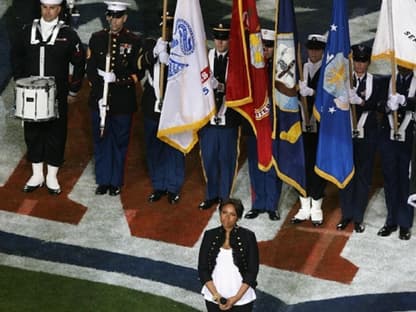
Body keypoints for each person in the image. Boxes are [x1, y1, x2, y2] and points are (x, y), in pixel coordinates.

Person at [11, 0, 85, 195]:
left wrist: (73, 90)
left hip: (57, 94)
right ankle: (37, 174)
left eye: (52, 8)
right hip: (31, 95)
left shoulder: (68, 34)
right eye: (45, 7)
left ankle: (52, 175)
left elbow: (80, 62)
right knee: (33, 132)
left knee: (56, 133)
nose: (48, 12)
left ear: (59, 9)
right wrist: (20, 83)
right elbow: (16, 55)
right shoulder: (27, 31)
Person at [86, 1, 141, 196]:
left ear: (125, 18)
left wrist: (117, 79)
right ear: (107, 16)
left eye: (118, 16)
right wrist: (99, 90)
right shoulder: (97, 38)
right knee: (101, 140)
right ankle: (103, 180)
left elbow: (137, 74)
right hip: (99, 100)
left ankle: (115, 181)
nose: (114, 21)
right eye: (111, 16)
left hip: (122, 102)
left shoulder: (133, 41)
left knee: (119, 141)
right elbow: (90, 69)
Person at [137, 12, 185, 205]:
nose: (168, 30)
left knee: (174, 147)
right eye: (165, 26)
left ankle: (173, 188)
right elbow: (138, 64)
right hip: (152, 105)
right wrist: (155, 54)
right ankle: (159, 185)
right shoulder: (150, 44)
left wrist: (172, 59)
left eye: (171, 27)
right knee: (154, 147)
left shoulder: (183, 48)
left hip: (174, 107)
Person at [337, 44, 383, 233]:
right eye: (356, 61)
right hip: (347, 136)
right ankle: (346, 214)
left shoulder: (376, 82)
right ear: (352, 61)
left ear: (368, 63)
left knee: (363, 177)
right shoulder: (344, 81)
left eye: (363, 61)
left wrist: (361, 102)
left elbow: (380, 105)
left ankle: (358, 217)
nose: (359, 65)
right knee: (346, 175)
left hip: (368, 137)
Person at [198, 23, 241, 210]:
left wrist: (222, 87)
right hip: (208, 118)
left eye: (224, 39)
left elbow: (240, 87)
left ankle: (224, 196)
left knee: (226, 159)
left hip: (228, 118)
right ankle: (211, 194)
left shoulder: (237, 61)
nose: (220, 42)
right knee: (209, 158)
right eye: (217, 38)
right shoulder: (205, 58)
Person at [244, 29, 281, 221]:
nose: (266, 49)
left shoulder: (281, 69)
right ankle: (258, 204)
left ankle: (272, 205)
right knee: (255, 164)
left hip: (273, 124)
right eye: (263, 46)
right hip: (255, 124)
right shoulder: (252, 69)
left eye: (269, 46)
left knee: (272, 164)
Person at [198, 198, 259, 312]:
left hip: (242, 300)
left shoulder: (248, 237)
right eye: (224, 212)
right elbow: (203, 269)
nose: (227, 217)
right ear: (220, 213)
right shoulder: (209, 235)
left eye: (232, 214)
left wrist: (235, 299)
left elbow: (252, 271)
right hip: (213, 298)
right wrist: (217, 297)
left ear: (238, 217)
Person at [291, 34, 327, 226]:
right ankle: (304, 206)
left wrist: (312, 92)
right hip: (301, 127)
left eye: (317, 49)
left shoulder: (328, 71)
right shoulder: (300, 69)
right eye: (310, 48)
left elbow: (330, 95)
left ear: (322, 50)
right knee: (302, 165)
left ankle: (317, 207)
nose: (313, 52)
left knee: (317, 166)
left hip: (320, 128)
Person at [378, 65, 415, 240]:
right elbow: (377, 103)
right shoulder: (387, 80)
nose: (403, 65)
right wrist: (386, 105)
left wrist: (405, 101)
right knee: (390, 180)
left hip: (410, 140)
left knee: (406, 181)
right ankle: (391, 220)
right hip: (389, 138)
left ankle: (405, 223)